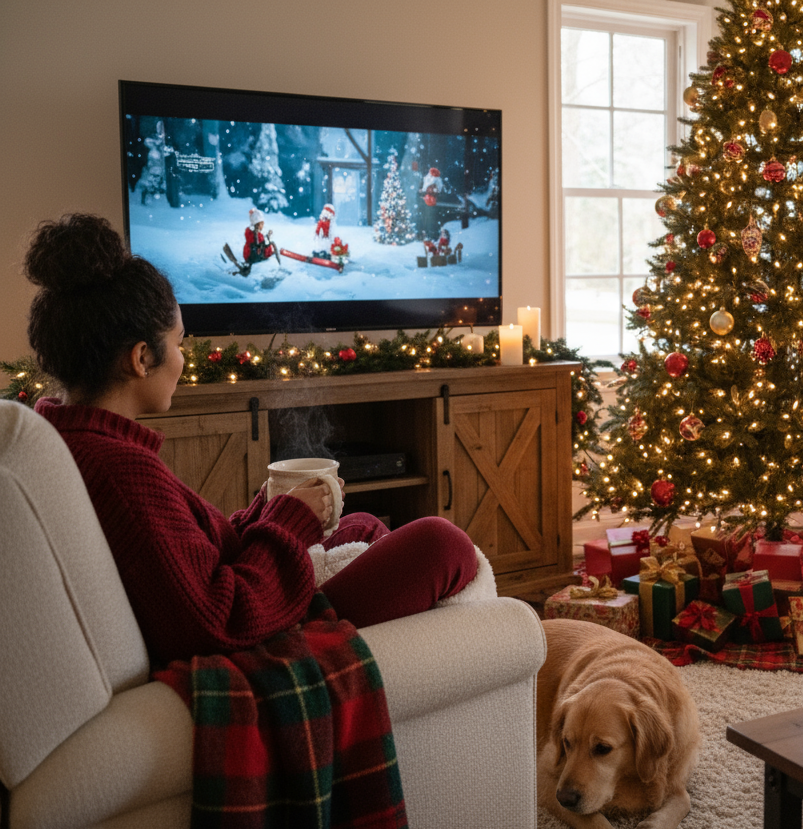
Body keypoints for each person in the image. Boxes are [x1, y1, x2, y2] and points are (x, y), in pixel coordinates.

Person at [24, 213, 478, 666]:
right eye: (180, 343)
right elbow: (219, 617)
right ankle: (432, 655)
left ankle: (413, 654)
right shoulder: (120, 471)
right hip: (257, 633)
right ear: (142, 358)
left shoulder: (71, 442)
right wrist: (287, 520)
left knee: (357, 525)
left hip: (247, 596)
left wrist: (270, 511)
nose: (182, 358)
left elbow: (190, 560)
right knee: (443, 543)